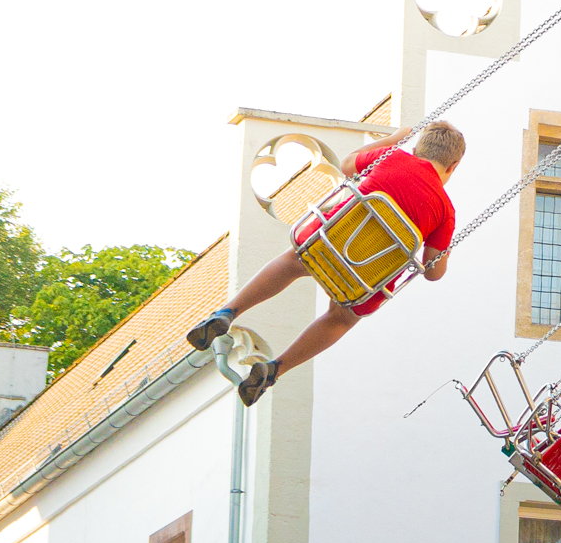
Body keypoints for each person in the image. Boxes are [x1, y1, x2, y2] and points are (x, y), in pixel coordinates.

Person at [185, 121, 464, 405]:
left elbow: (346, 164)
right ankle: (274, 369)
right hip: (364, 279)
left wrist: (391, 140)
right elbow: (433, 272)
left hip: (327, 242)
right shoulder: (445, 210)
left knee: (292, 261)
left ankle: (227, 313)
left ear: (416, 149)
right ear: (452, 166)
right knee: (341, 318)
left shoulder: (393, 157)